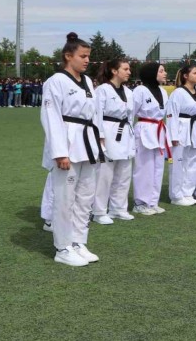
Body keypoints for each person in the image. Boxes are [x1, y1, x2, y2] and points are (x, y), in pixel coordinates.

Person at [40, 34, 103, 267]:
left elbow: (94, 113)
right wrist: (60, 152)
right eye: (82, 56)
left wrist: (99, 142)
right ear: (68, 56)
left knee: (85, 197)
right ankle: (63, 247)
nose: (87, 60)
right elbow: (51, 117)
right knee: (65, 198)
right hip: (67, 142)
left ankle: (78, 242)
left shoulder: (87, 81)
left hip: (87, 142)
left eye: (88, 56)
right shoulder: (56, 81)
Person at [92, 59, 136, 224]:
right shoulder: (102, 90)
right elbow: (97, 113)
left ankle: (118, 209)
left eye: (129, 69)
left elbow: (131, 116)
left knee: (124, 174)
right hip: (108, 131)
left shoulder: (129, 92)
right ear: (114, 71)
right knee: (104, 175)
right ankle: (99, 211)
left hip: (125, 133)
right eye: (125, 69)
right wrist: (100, 135)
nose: (129, 72)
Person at [131, 62, 170, 216]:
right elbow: (131, 112)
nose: (165, 73)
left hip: (159, 129)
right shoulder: (140, 90)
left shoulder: (163, 91)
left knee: (158, 167)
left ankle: (153, 201)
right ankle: (140, 203)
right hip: (145, 128)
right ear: (151, 73)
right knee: (144, 167)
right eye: (161, 71)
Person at [167, 65, 196, 206]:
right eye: (195, 73)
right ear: (185, 76)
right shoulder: (178, 92)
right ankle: (176, 196)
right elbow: (172, 114)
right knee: (178, 162)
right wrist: (173, 136)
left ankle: (187, 193)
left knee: (192, 161)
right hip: (181, 127)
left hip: (194, 127)